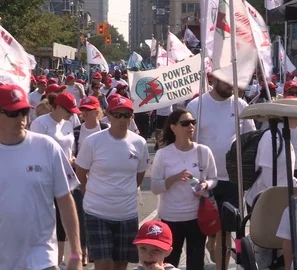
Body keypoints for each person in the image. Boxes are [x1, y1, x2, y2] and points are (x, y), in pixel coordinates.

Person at [0, 84, 82, 270]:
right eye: (13, 113)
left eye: (23, 111)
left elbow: (65, 200)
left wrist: (76, 253)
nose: (21, 118)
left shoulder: (46, 147)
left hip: (42, 259)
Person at [186, 75, 256, 270]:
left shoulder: (241, 105)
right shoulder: (196, 105)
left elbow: (250, 139)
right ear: (213, 79)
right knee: (207, 228)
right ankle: (211, 244)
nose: (231, 85)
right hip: (205, 180)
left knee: (226, 232)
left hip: (233, 179)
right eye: (226, 81)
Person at [75, 96, 150, 270]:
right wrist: (90, 194)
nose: (123, 119)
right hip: (97, 212)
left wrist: (127, 191)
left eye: (127, 115)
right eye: (118, 115)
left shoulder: (139, 142)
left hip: (127, 213)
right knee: (103, 265)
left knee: (120, 265)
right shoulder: (93, 141)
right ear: (108, 115)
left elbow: (139, 174)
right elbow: (81, 172)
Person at [151, 109, 218, 269]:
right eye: (185, 123)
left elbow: (213, 178)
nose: (191, 126)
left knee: (196, 262)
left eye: (193, 123)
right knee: (170, 263)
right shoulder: (163, 154)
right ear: (173, 127)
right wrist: (174, 178)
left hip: (197, 216)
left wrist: (205, 185)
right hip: (171, 217)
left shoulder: (203, 151)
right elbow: (155, 188)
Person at [30, 91, 81, 268]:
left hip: (65, 177)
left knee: (62, 220)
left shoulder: (68, 124)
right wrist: (59, 162)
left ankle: (59, 260)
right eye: (69, 110)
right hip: (44, 179)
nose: (72, 114)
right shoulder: (40, 123)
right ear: (58, 107)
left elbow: (71, 148)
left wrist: (72, 159)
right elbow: (35, 152)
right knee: (46, 218)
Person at [73, 96, 109, 265]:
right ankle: (84, 250)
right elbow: (73, 152)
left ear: (98, 111)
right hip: (81, 179)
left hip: (102, 180)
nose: (85, 113)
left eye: (89, 110)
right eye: (83, 110)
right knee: (82, 214)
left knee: (100, 216)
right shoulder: (76, 131)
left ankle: (97, 250)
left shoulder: (105, 128)